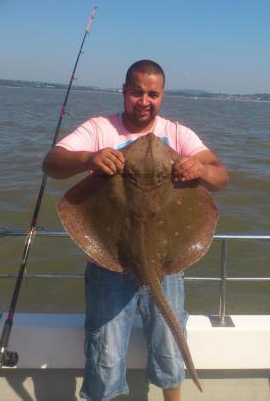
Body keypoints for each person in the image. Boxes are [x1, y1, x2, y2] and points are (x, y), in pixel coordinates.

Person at [43, 60, 228, 401]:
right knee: (106, 354)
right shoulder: (99, 128)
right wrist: (89, 159)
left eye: (153, 94)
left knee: (171, 347)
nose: (145, 100)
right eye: (137, 92)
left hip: (166, 266)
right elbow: (51, 163)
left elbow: (221, 178)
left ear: (162, 96)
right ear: (125, 91)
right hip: (108, 265)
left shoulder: (178, 133)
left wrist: (199, 167)